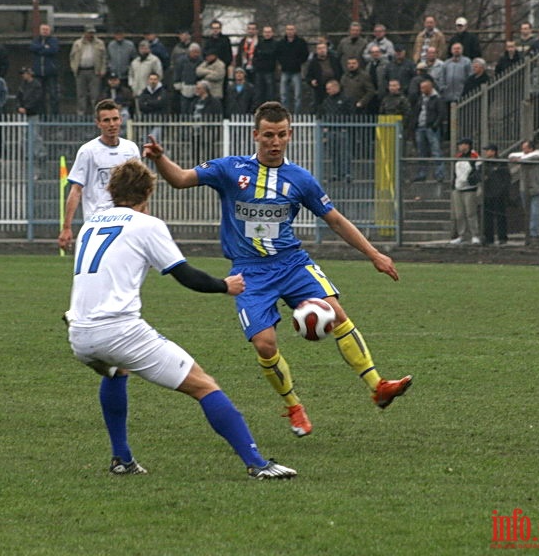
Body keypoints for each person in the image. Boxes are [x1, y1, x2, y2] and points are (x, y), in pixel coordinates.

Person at [144, 101, 412, 437]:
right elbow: (181, 179)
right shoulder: (230, 169)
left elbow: (335, 220)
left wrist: (374, 254)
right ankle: (294, 406)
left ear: (290, 136)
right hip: (249, 271)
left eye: (281, 135)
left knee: (337, 313)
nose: (275, 141)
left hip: (291, 263)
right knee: (265, 345)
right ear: (256, 135)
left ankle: (378, 386)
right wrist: (159, 159)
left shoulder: (300, 179)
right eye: (268, 135)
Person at [66, 159, 297, 479]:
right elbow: (185, 276)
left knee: (116, 372)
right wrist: (224, 286)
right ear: (148, 192)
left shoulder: (90, 224)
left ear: (111, 190)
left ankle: (122, 459)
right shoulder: (147, 225)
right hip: (117, 329)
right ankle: (258, 464)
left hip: (79, 332)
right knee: (204, 385)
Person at [57, 100, 141, 251]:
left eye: (115, 119)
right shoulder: (88, 151)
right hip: (97, 221)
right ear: (98, 123)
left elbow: (138, 190)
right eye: (106, 120)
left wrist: (143, 221)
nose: (112, 124)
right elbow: (76, 190)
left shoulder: (131, 149)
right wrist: (66, 227)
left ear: (121, 120)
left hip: (125, 221)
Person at [508, 139, 539, 244]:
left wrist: (520, 159)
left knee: (534, 213)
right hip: (524, 189)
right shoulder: (524, 155)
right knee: (527, 213)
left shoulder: (538, 154)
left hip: (536, 189)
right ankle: (528, 235)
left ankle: (534, 235)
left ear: (531, 148)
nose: (523, 150)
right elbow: (511, 156)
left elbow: (534, 157)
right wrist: (520, 158)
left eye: (526, 148)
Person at [449, 137, 482, 246]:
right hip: (458, 188)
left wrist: (472, 180)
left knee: (470, 213)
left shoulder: (474, 156)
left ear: (467, 145)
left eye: (462, 144)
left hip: (469, 189)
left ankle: (475, 235)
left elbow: (478, 171)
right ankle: (462, 235)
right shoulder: (458, 157)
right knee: (459, 214)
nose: (460, 147)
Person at [69, 26, 106, 116]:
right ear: (85, 33)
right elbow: (72, 57)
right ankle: (81, 114)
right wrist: (74, 68)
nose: (91, 35)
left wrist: (102, 70)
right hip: (81, 71)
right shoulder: (77, 43)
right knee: (81, 94)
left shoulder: (100, 43)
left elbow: (104, 58)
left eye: (92, 33)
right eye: (89, 33)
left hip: (94, 71)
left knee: (95, 95)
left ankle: (96, 114)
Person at [480, 144, 510, 246]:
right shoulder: (485, 164)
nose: (486, 153)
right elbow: (478, 175)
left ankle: (502, 237)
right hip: (487, 194)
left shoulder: (501, 163)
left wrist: (502, 191)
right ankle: (489, 238)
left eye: (488, 150)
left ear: (493, 151)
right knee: (487, 217)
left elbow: (506, 178)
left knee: (501, 216)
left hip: (499, 194)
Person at [30, 24, 60, 116]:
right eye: (43, 29)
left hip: (50, 72)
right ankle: (43, 116)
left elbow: (53, 50)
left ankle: (54, 116)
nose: (45, 31)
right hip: (38, 73)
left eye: (46, 29)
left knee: (53, 95)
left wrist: (40, 49)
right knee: (40, 96)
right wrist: (44, 47)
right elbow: (32, 48)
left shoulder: (53, 40)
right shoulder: (36, 40)